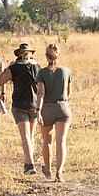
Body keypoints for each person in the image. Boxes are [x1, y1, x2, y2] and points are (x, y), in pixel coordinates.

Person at [0, 41, 44, 175]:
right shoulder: (37, 67)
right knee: (29, 136)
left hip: (20, 105)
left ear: (19, 54)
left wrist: (7, 68)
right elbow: (42, 87)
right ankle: (29, 162)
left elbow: (0, 80)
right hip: (34, 105)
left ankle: (29, 165)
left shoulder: (14, 67)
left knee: (26, 136)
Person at [37, 41, 73, 180]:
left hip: (47, 108)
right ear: (58, 55)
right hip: (63, 108)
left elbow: (41, 94)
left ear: (46, 56)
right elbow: (68, 93)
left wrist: (38, 111)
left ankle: (47, 170)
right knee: (61, 141)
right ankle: (59, 172)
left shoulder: (42, 73)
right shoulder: (66, 71)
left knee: (47, 141)